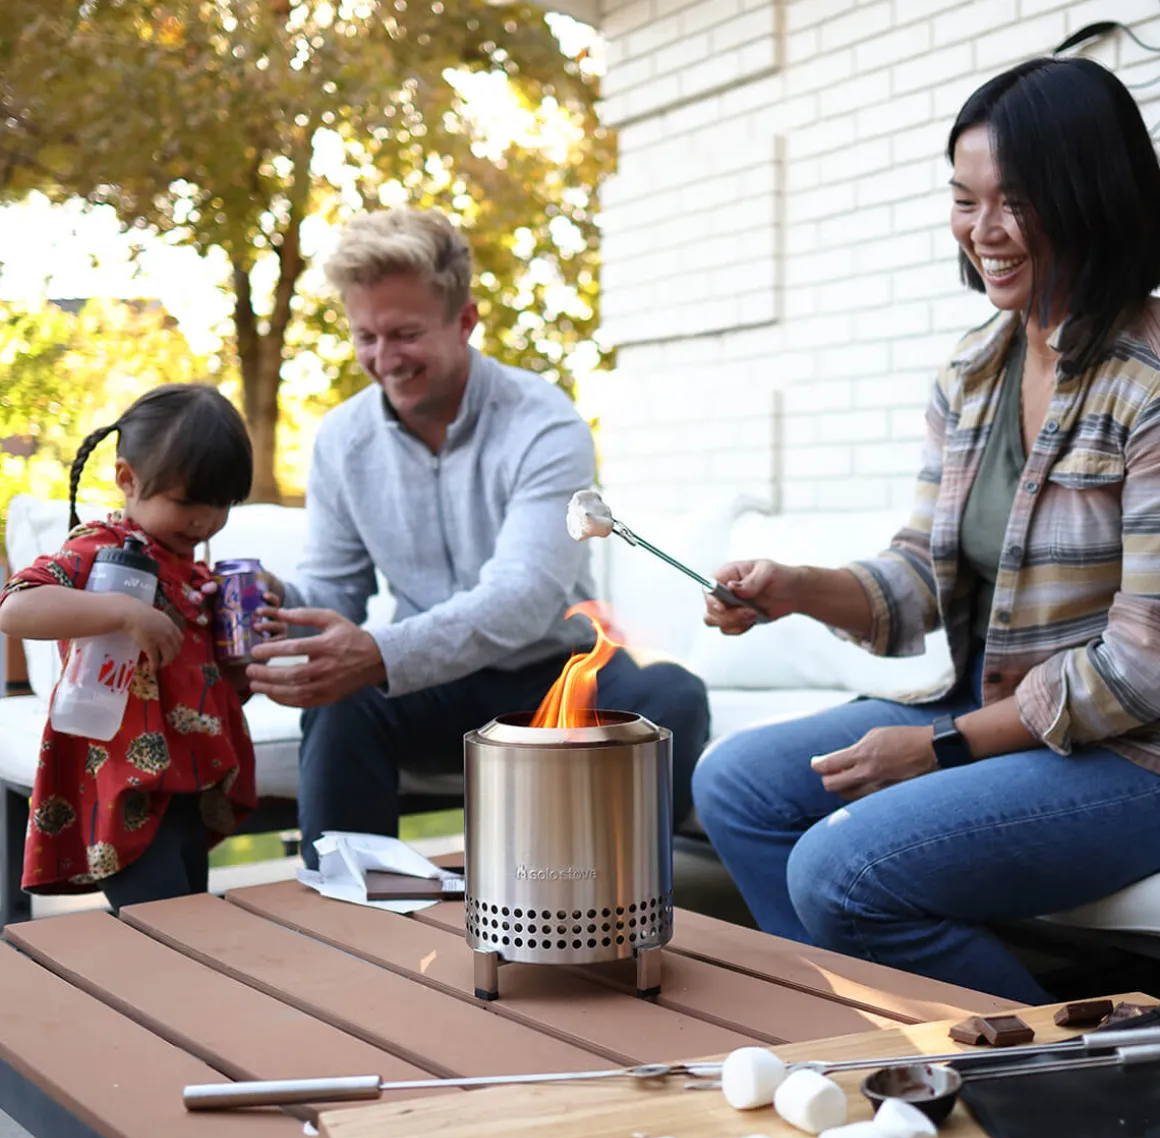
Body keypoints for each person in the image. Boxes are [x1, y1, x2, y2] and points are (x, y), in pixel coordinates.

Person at [692, 57, 1160, 1004]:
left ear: (1092, 196)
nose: (984, 231)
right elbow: (920, 574)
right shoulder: (974, 372)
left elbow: (1143, 667)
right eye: (964, 199)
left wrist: (943, 747)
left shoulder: (1147, 383)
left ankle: (1055, 1069)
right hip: (992, 711)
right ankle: (860, 1029)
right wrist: (796, 588)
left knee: (842, 870)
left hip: (1131, 752)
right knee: (736, 783)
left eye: (1015, 201)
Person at [249, 207, 710, 866]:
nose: (385, 359)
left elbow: (524, 596)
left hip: (552, 678)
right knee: (342, 705)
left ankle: (586, 897)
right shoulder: (342, 440)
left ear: (465, 321)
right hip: (426, 686)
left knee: (672, 698)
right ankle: (346, 902)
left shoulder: (545, 425)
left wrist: (378, 654)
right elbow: (335, 590)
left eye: (406, 334)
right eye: (366, 336)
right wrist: (277, 601)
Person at [0, 384, 276, 908]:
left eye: (222, 504)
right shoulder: (101, 550)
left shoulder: (191, 571)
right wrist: (124, 612)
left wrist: (246, 654)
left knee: (188, 917)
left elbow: (206, 681)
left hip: (186, 783)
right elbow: (16, 609)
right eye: (187, 502)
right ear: (127, 479)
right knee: (166, 925)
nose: (205, 521)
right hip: (122, 784)